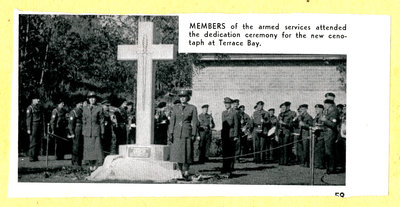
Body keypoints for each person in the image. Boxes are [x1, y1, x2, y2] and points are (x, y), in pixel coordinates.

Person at [168, 90, 199, 180]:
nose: (182, 98)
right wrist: (171, 133)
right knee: (178, 153)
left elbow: (194, 122)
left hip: (187, 133)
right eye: (181, 97)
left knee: (187, 153)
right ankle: (180, 171)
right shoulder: (175, 108)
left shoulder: (192, 108)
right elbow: (172, 121)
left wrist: (193, 134)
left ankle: (186, 170)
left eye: (184, 97)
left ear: (187, 98)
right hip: (177, 133)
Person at [82, 92, 104, 171]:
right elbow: (83, 121)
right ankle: (90, 165)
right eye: (90, 98)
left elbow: (101, 121)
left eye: (93, 98)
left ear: (96, 99)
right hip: (87, 132)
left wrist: (102, 131)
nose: (92, 99)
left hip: (96, 131)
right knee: (89, 149)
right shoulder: (84, 109)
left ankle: (95, 165)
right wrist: (84, 131)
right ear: (88, 99)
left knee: (96, 148)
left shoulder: (99, 108)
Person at [220, 97, 239, 177]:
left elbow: (236, 125)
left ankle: (230, 170)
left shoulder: (234, 112)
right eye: (225, 103)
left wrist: (235, 135)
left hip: (231, 135)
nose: (226, 105)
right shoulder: (223, 113)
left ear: (230, 104)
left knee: (230, 153)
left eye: (227, 103)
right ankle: (224, 169)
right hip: (225, 135)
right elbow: (223, 125)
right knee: (225, 153)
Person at [321, 99, 340, 174]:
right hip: (327, 133)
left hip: (330, 134)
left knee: (330, 152)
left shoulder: (334, 111)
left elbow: (333, 124)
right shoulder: (328, 111)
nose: (324, 106)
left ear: (329, 104)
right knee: (328, 152)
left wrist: (324, 120)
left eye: (325, 104)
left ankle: (331, 169)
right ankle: (329, 168)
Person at [26, 95, 44, 162]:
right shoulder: (30, 108)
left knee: (37, 142)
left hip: (38, 125)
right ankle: (31, 157)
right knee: (33, 142)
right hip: (33, 125)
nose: (38, 100)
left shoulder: (38, 107)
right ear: (33, 100)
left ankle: (35, 157)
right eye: (37, 99)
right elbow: (28, 119)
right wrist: (28, 128)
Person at [68, 99, 83, 166]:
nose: (81, 104)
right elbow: (70, 123)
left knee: (80, 146)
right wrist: (71, 133)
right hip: (76, 129)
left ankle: (79, 161)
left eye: (81, 103)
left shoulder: (82, 111)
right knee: (76, 146)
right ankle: (75, 161)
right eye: (80, 103)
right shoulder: (73, 112)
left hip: (82, 129)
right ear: (76, 104)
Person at [312, 104, 325, 169]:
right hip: (316, 136)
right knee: (317, 150)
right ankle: (317, 164)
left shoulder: (323, 116)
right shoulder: (316, 117)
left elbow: (325, 127)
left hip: (322, 136)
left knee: (321, 151)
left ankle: (321, 165)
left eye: (317, 109)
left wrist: (319, 128)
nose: (316, 110)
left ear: (322, 109)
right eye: (315, 109)